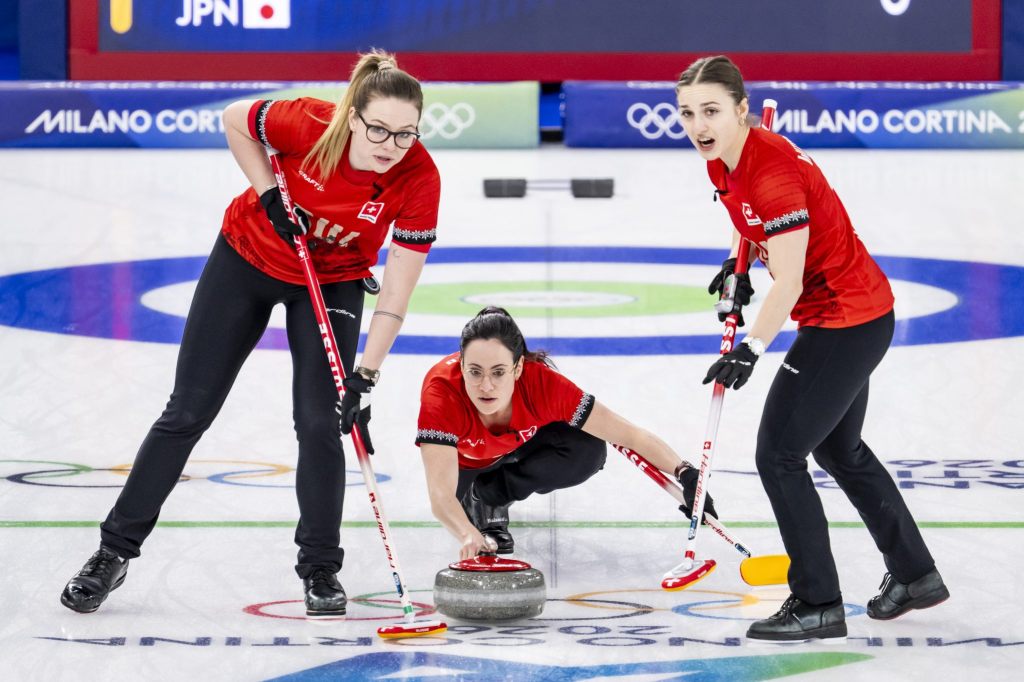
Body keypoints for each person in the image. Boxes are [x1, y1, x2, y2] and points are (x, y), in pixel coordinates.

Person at [60, 50, 441, 617]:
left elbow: (395, 297)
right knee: (188, 410)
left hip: (331, 281)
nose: (390, 145)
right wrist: (268, 195)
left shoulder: (418, 178)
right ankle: (112, 552)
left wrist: (365, 375)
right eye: (378, 129)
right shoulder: (308, 123)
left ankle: (320, 569)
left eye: (406, 134)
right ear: (352, 117)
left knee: (320, 423)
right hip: (247, 260)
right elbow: (235, 119)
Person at [675, 55, 949, 642]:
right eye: (688, 113)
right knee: (840, 451)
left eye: (711, 111)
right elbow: (750, 220)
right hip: (858, 314)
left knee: (779, 455)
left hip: (843, 323)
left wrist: (751, 347)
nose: (698, 125)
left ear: (742, 110)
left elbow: (792, 282)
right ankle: (916, 574)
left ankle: (817, 602)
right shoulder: (724, 159)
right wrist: (738, 263)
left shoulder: (772, 173)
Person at [415, 306, 717, 559]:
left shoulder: (542, 385)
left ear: (518, 368)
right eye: (475, 371)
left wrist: (686, 473)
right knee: (455, 504)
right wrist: (468, 534)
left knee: (588, 449)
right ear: (461, 365)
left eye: (498, 372)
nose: (486, 386)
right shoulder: (441, 393)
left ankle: (489, 495)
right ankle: (474, 495)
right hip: (464, 463)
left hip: (516, 446)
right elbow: (440, 496)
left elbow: (628, 435)